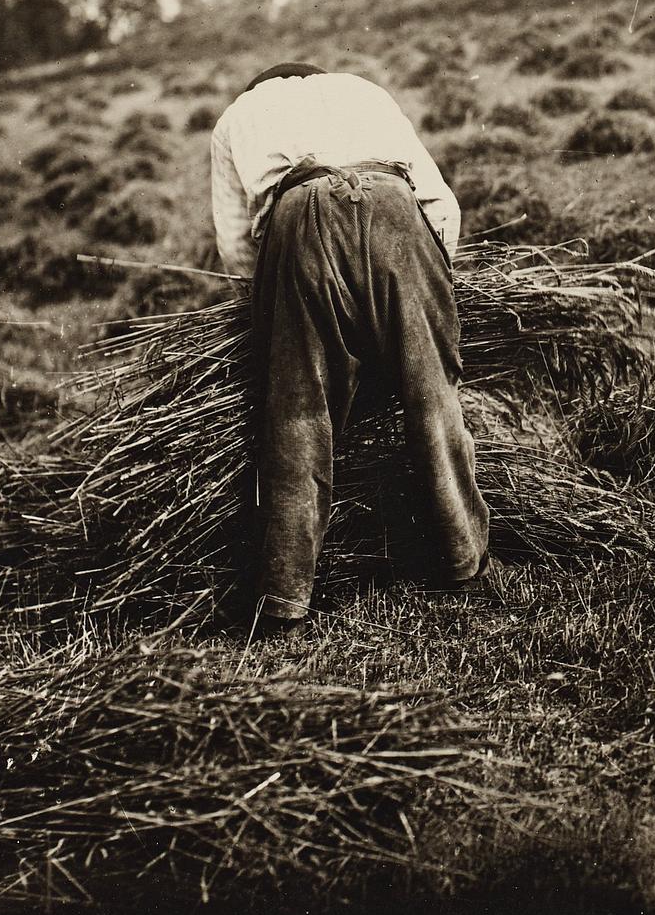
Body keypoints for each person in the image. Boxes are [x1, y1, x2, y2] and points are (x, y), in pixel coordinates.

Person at [209, 61, 491, 630]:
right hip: (395, 207)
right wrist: (425, 294)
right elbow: (442, 205)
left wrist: (274, 312)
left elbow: (235, 244)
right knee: (433, 394)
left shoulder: (236, 116)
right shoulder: (363, 90)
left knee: (298, 414)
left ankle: (285, 598)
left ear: (259, 88)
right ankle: (464, 561)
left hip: (300, 216)